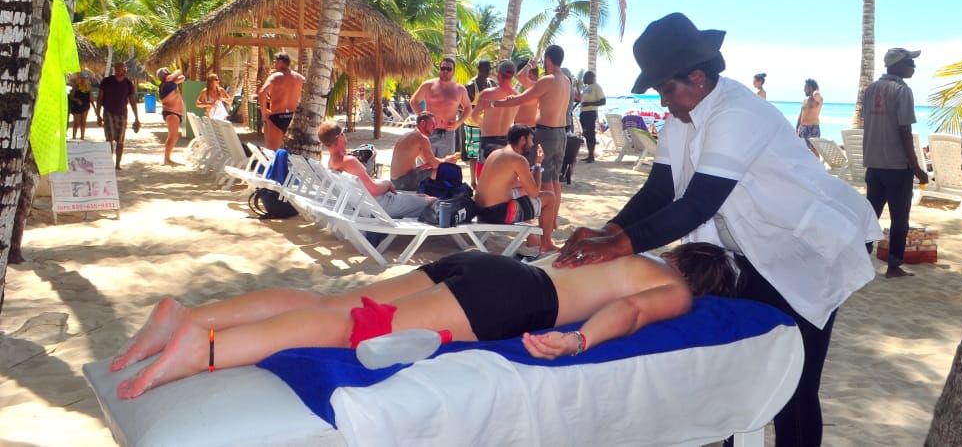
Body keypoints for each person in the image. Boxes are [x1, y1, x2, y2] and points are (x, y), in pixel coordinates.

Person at [553, 13, 880, 447]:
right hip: (755, 249)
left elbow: (698, 204)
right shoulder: (683, 118)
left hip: (811, 248)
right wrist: (606, 232)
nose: (663, 102)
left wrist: (616, 247)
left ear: (697, 77)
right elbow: (659, 190)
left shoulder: (738, 113)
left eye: (666, 89)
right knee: (736, 364)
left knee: (795, 380)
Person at [109, 238, 739, 399]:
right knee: (349, 331)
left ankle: (187, 316)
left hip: (489, 266)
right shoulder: (675, 290)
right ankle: (203, 350)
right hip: (513, 300)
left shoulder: (631, 253)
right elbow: (632, 311)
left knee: (334, 305)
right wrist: (577, 340)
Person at [492, 45, 572, 248]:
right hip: (561, 134)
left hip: (546, 133)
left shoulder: (548, 80)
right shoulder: (566, 81)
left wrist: (496, 104)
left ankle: (544, 236)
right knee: (554, 180)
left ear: (548, 59)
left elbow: (522, 98)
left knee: (544, 181)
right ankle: (551, 224)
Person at [862, 48, 930, 279]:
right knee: (900, 218)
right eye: (910, 62)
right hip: (897, 166)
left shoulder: (871, 89)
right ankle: (893, 266)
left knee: (870, 216)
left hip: (874, 164)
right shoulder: (902, 90)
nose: (913, 66)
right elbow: (904, 131)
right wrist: (917, 168)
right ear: (898, 65)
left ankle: (859, 259)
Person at [319, 121, 436, 218]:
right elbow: (374, 190)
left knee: (421, 196)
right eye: (343, 133)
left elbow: (367, 186)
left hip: (367, 205)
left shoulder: (331, 162)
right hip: (382, 206)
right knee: (432, 201)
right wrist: (387, 184)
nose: (345, 136)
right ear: (339, 137)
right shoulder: (349, 161)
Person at [474, 124, 556, 253]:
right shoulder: (518, 159)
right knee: (550, 197)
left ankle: (532, 239)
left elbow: (510, 183)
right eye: (531, 139)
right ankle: (546, 243)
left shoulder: (496, 153)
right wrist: (538, 164)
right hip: (497, 214)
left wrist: (527, 180)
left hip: (480, 210)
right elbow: (535, 192)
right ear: (523, 139)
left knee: (522, 193)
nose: (532, 144)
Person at [409, 57, 473, 158]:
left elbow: (468, 108)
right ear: (439, 69)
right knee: (425, 164)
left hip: (448, 134)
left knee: (445, 165)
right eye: (443, 68)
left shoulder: (460, 89)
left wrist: (458, 123)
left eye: (448, 69)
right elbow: (414, 101)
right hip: (428, 131)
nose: (445, 71)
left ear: (453, 71)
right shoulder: (428, 85)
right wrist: (423, 118)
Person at [469, 60, 519, 179]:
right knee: (503, 179)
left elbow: (474, 115)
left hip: (488, 140)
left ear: (498, 74)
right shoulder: (517, 96)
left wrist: (482, 125)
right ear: (512, 75)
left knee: (483, 179)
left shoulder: (487, 94)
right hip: (507, 141)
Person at [390, 111, 461, 191]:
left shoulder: (408, 135)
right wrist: (446, 160)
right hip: (403, 182)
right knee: (446, 171)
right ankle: (447, 194)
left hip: (396, 181)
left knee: (433, 169)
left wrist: (443, 161)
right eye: (432, 124)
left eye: (435, 125)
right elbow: (434, 164)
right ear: (423, 123)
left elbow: (428, 163)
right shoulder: (421, 138)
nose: (434, 127)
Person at [95, 61, 140, 170]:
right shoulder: (106, 81)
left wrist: (136, 118)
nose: (121, 70)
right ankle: (109, 162)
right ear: (115, 69)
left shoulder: (128, 83)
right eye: (118, 68)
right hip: (108, 112)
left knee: (120, 141)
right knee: (109, 138)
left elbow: (132, 101)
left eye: (123, 68)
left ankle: (117, 164)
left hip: (122, 114)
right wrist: (98, 115)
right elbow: (99, 98)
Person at [258, 52, 306, 150]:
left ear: (280, 62)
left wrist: (264, 111)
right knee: (291, 152)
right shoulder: (300, 78)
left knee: (273, 152)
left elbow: (262, 92)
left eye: (275, 61)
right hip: (292, 117)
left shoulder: (275, 76)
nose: (274, 64)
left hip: (277, 116)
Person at [461, 60, 496, 184]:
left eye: (488, 69)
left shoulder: (492, 83)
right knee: (473, 154)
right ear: (478, 69)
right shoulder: (470, 86)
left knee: (488, 153)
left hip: (488, 125)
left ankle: (485, 180)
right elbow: (463, 106)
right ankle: (473, 182)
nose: (487, 72)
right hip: (473, 125)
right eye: (484, 69)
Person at [157, 68, 186, 165]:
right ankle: (166, 159)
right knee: (172, 136)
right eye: (168, 74)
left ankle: (167, 158)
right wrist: (173, 77)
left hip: (174, 112)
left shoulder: (171, 83)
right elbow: (181, 75)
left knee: (174, 136)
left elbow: (182, 76)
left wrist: (173, 77)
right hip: (171, 112)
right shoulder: (167, 85)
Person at [578, 71, 606, 163]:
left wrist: (589, 104)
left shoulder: (597, 87)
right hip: (583, 113)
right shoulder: (586, 88)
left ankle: (591, 156)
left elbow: (603, 101)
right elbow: (581, 100)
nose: (584, 79)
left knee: (590, 134)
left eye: (585, 77)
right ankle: (589, 155)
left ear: (591, 77)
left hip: (590, 113)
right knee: (586, 134)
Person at [795, 78, 823, 157]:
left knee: (814, 150)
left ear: (810, 88)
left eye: (805, 88)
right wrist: (797, 128)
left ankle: (817, 164)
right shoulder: (805, 101)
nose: (804, 90)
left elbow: (817, 95)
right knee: (802, 150)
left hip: (813, 128)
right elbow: (800, 116)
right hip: (803, 128)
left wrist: (815, 91)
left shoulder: (818, 100)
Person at [68, 70, 92, 140]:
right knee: (76, 122)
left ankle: (82, 137)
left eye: (85, 78)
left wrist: (93, 105)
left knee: (83, 122)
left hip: (85, 105)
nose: (84, 79)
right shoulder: (76, 86)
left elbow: (90, 97)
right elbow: (71, 97)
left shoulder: (88, 86)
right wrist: (77, 100)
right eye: (82, 78)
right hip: (77, 106)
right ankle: (74, 137)